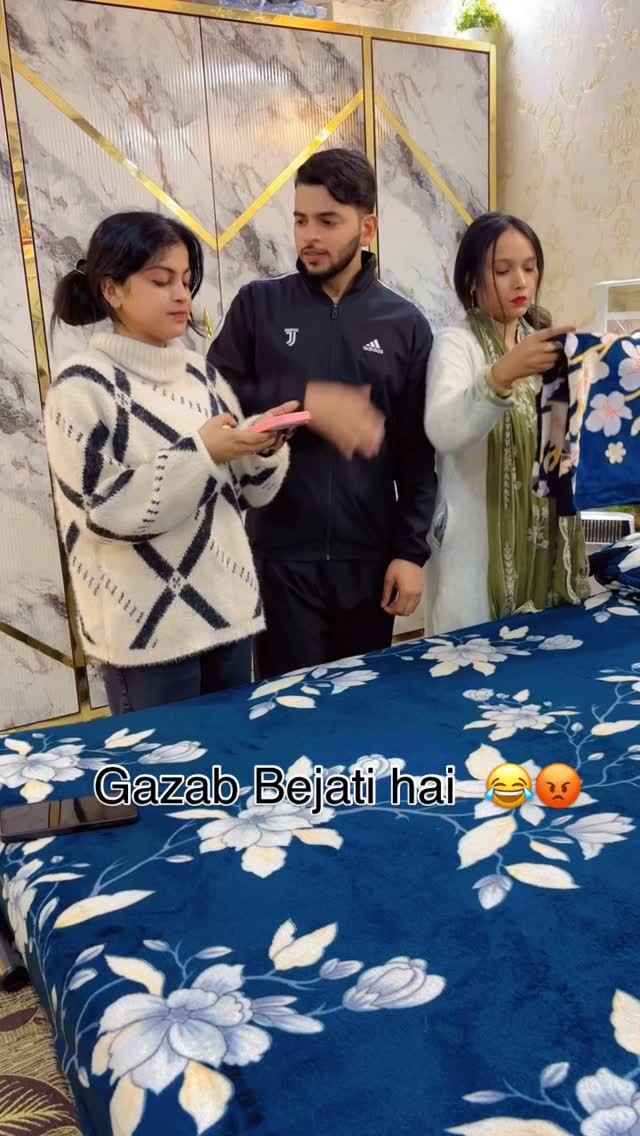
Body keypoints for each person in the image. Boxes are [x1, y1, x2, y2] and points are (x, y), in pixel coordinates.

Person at [44, 211, 295, 715]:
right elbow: (104, 513)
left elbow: (243, 496)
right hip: (145, 639)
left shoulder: (202, 376)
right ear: (112, 290)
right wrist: (204, 452)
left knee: (230, 759)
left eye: (185, 280)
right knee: (160, 767)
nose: (182, 295)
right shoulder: (80, 387)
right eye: (161, 281)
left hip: (230, 619)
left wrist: (260, 449)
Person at [208, 148, 437, 678]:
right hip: (279, 557)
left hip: (369, 560)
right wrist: (307, 398)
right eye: (300, 220)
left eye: (328, 221)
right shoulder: (257, 307)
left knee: (362, 705)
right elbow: (214, 397)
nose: (309, 236)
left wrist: (410, 553)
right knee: (287, 706)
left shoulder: (404, 324)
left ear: (367, 228)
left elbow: (416, 454)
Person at [423, 211, 590, 635]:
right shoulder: (456, 344)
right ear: (472, 279)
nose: (521, 282)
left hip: (543, 544)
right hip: (477, 555)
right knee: (475, 663)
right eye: (503, 270)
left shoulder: (544, 347)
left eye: (530, 268)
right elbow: (442, 429)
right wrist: (500, 376)